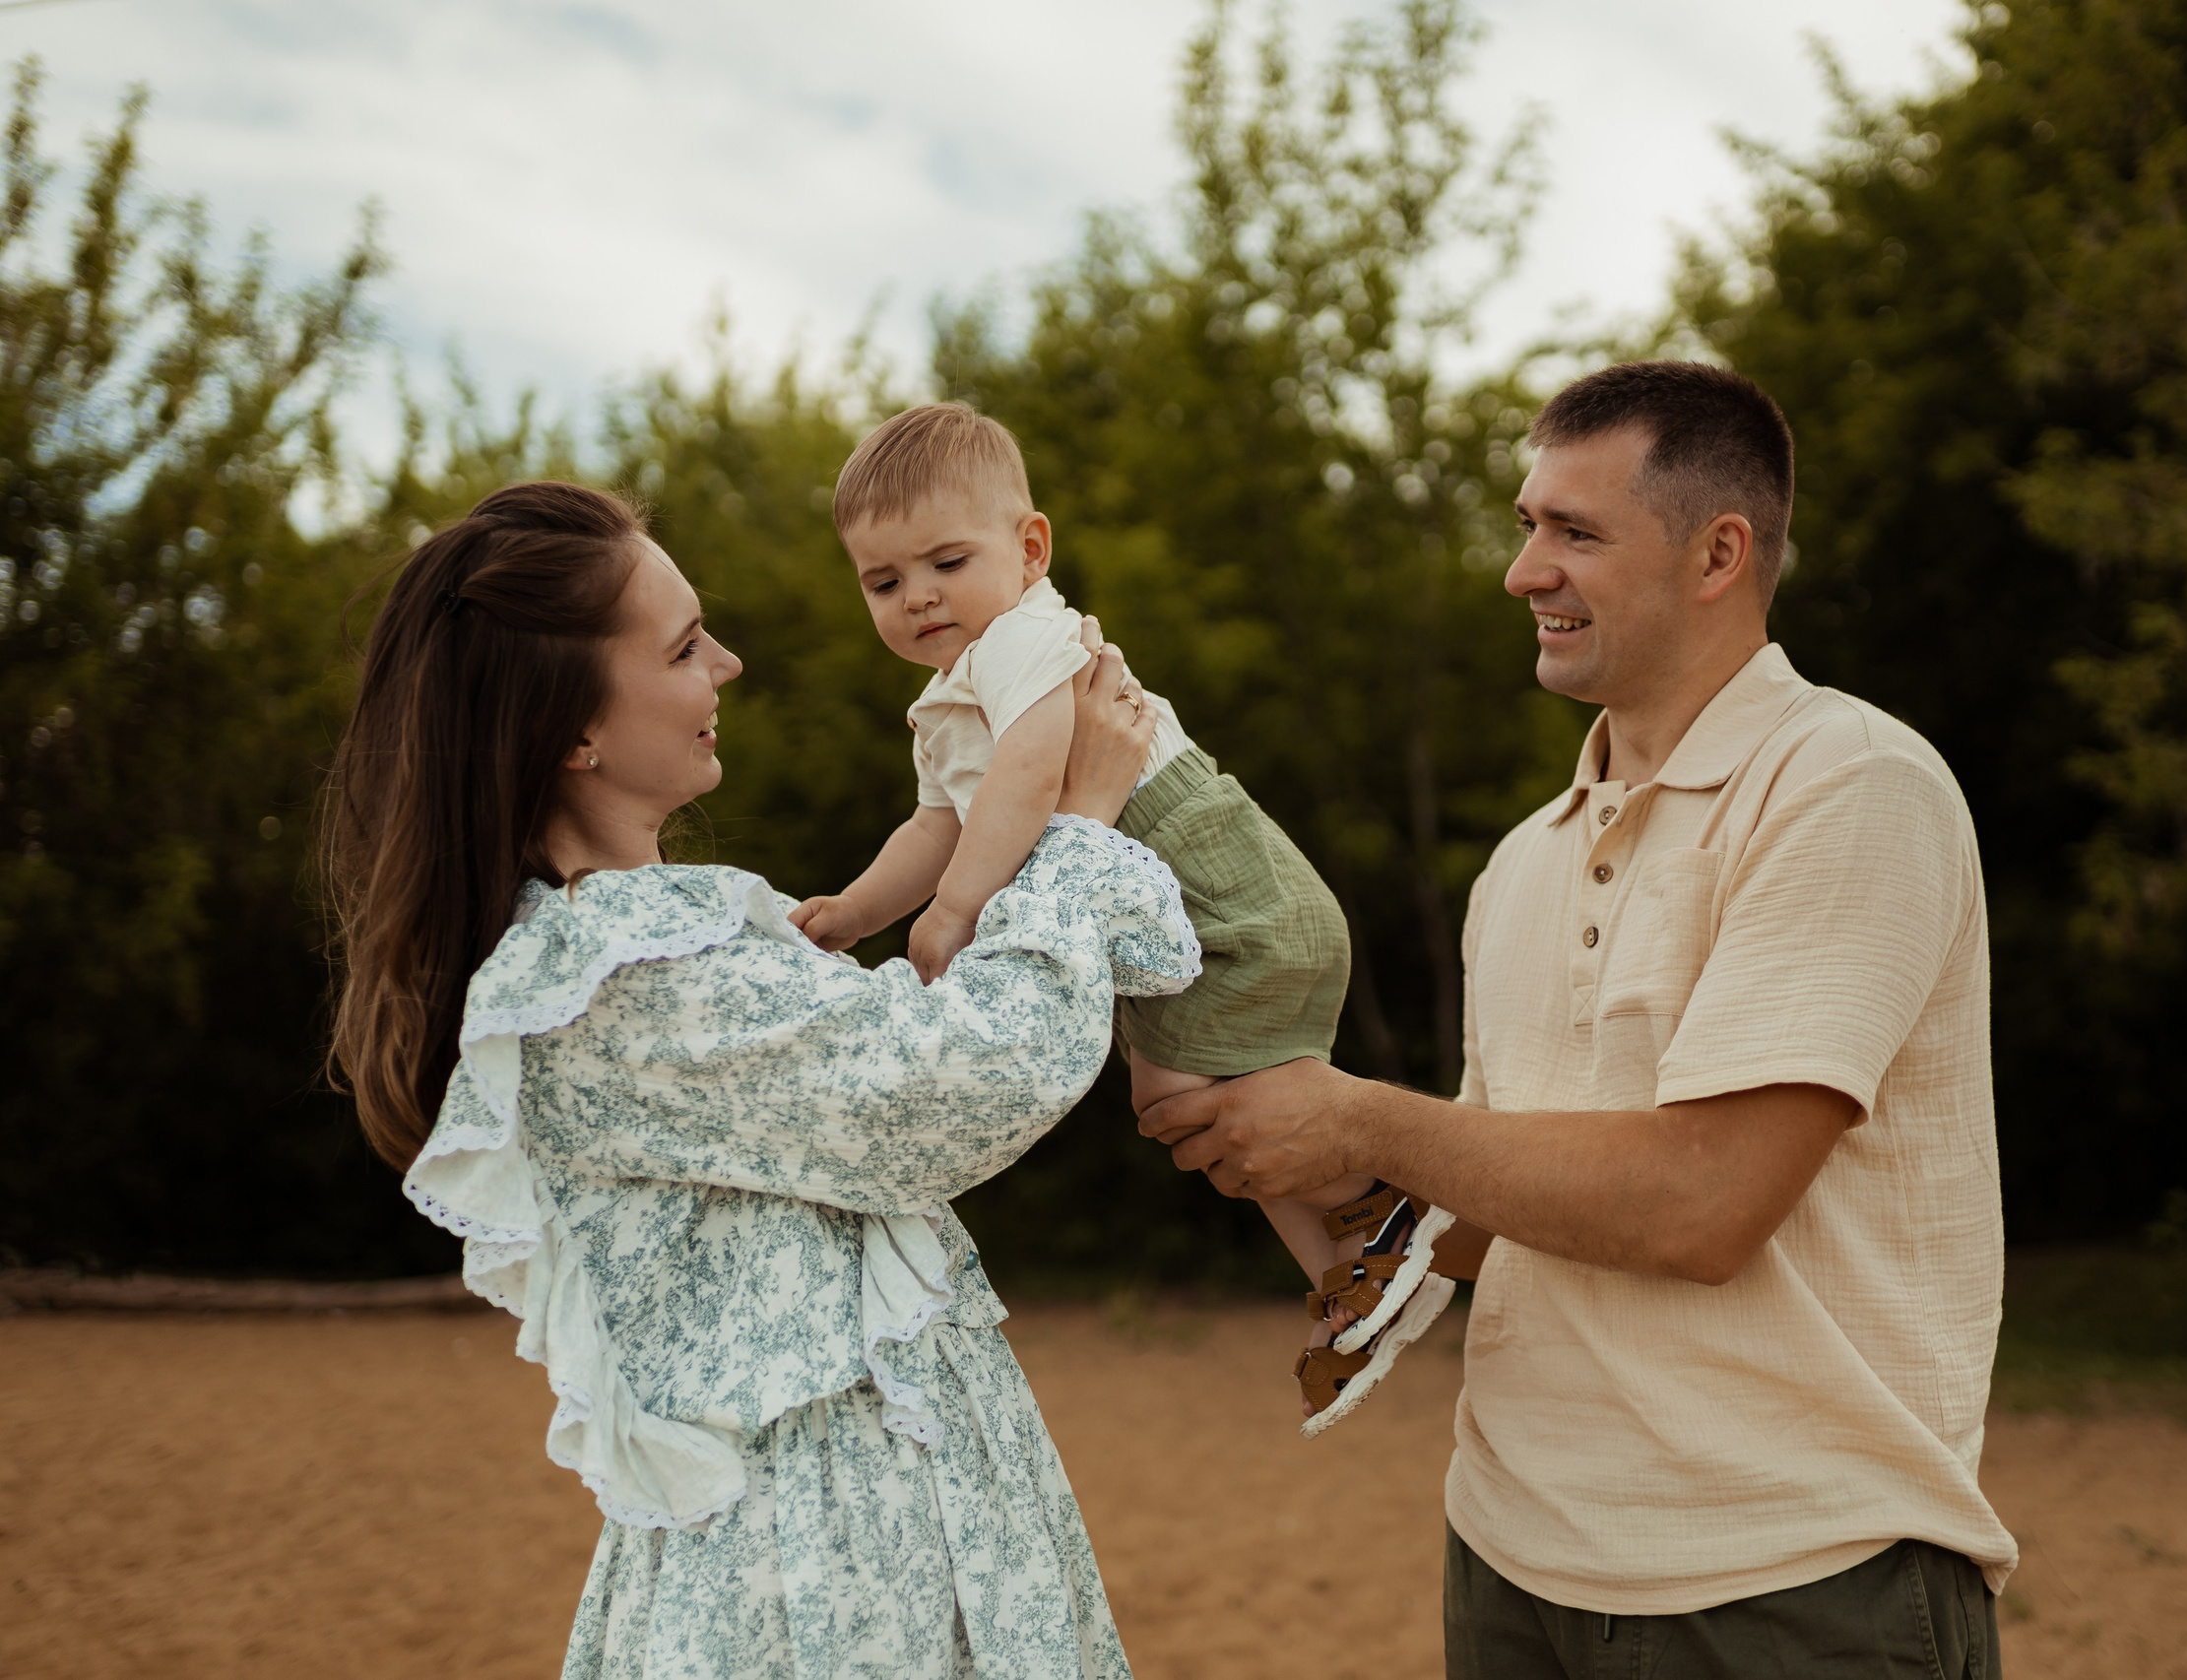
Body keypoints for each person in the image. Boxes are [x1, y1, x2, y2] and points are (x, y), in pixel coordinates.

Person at [1142, 362, 2018, 1678]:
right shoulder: (1521, 865)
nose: (1523, 571)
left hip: (1794, 1584)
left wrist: (1365, 1115)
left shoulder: (1851, 786)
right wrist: (1248, 1111)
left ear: (1720, 553)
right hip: (1507, 1572)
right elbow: (1496, 1228)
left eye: (1575, 532)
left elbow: (1703, 1202)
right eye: (1526, 523)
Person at [320, 480, 1195, 1680]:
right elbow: (957, 1084)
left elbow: (881, 1060)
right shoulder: (609, 972)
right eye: (683, 646)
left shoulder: (643, 945)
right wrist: (1082, 815)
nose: (725, 664)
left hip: (869, 1512)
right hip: (822, 1559)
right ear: (566, 728)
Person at [787, 403, 1453, 1432]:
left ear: (1029, 547)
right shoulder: (955, 692)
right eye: (884, 581)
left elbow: (1028, 767)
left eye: (945, 562)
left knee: (1181, 1093)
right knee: (1176, 1099)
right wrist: (855, 911)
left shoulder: (1026, 639)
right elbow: (931, 822)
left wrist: (959, 908)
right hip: (1173, 912)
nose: (917, 596)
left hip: (1225, 890)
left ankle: (1383, 1212)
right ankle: (1350, 1266)